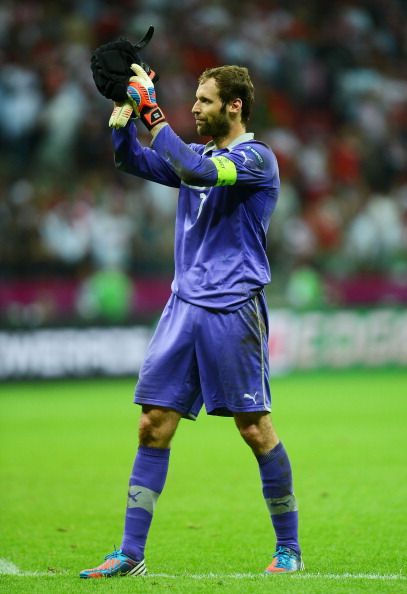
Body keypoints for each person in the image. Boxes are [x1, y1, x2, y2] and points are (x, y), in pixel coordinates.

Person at [80, 63, 303, 578]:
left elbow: (196, 173)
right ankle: (130, 553)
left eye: (203, 100)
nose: (195, 108)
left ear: (234, 106)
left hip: (232, 308)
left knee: (254, 428)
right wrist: (123, 125)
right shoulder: (196, 155)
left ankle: (289, 548)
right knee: (152, 425)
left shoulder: (256, 159)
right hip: (183, 307)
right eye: (194, 100)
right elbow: (135, 162)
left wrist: (152, 112)